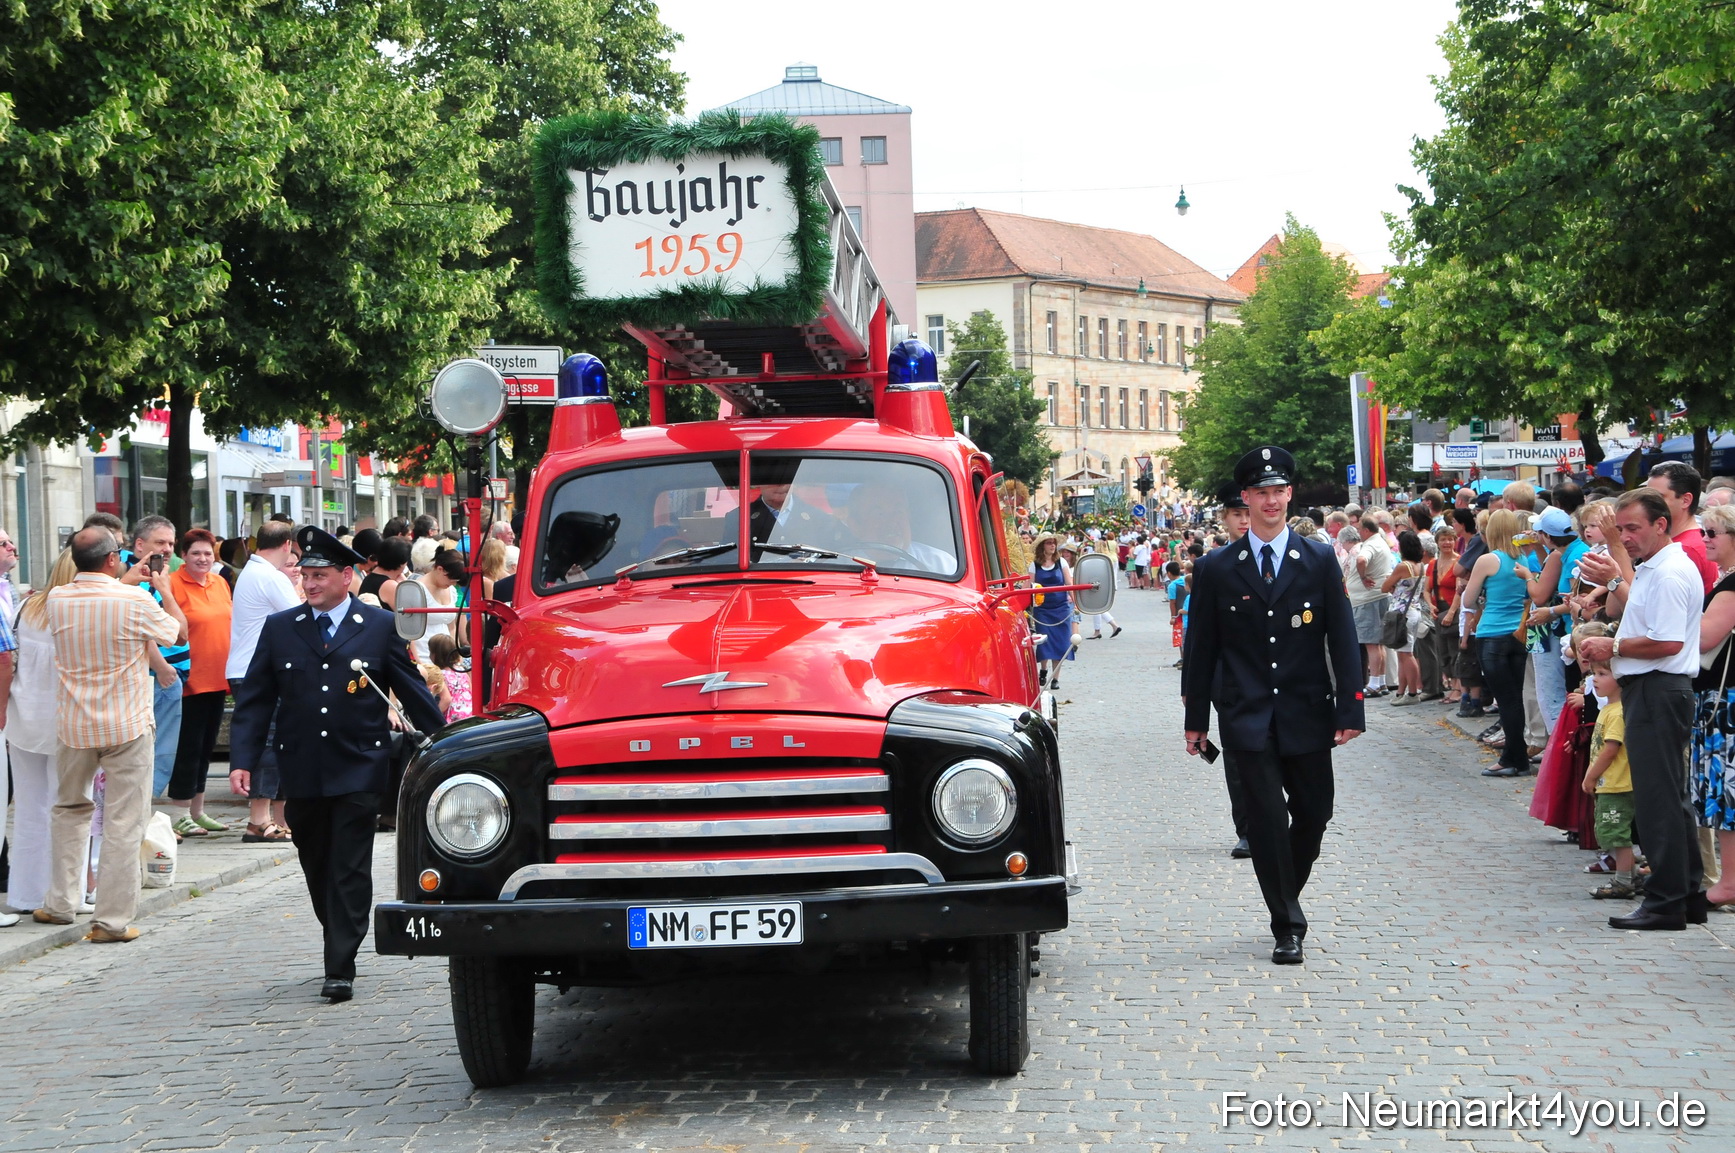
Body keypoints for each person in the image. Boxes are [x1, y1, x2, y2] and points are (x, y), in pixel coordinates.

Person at [229, 527, 444, 1001]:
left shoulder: (378, 625)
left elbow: (412, 690)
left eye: (319, 576)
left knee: (349, 864)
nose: (309, 584)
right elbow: (257, 701)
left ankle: (340, 963)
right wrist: (243, 759)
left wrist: (445, 742)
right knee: (316, 861)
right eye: (304, 575)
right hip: (302, 767)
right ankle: (338, 930)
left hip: (359, 764)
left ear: (346, 577)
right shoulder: (281, 627)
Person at [1182, 445, 1365, 965]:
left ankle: (1285, 889)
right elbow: (1201, 649)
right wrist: (1196, 720)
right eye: (1261, 492)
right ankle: (1287, 924)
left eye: (1279, 491)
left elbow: (1342, 638)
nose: (1270, 500)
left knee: (1315, 814)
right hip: (1246, 714)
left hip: (1307, 711)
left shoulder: (1319, 559)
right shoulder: (1217, 567)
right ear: (1245, 497)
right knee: (1264, 821)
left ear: (1290, 495)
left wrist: (1351, 708)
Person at [37, 527, 181, 941]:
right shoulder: (134, 600)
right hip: (126, 724)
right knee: (124, 821)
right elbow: (176, 632)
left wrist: (124, 581)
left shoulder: (58, 598)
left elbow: (98, 599)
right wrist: (163, 588)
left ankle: (60, 903)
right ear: (112, 559)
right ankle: (111, 920)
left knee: (68, 810)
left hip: (74, 723)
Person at [1577, 489, 1708, 930]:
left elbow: (1667, 641)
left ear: (1660, 524)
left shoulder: (1669, 571)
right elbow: (1646, 618)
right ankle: (1685, 895)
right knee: (1669, 796)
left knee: (1657, 799)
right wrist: (1616, 582)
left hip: (1658, 688)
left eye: (1632, 528)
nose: (1625, 537)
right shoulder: (1656, 567)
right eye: (1620, 529)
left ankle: (1666, 902)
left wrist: (1611, 646)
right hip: (1654, 688)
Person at [4, 549, 77, 920]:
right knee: (68, 808)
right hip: (64, 721)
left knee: (30, 808)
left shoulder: (26, 609)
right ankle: (62, 891)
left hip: (23, 718)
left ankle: (25, 892)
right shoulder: (74, 613)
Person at [227, 520, 303, 843]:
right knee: (268, 743)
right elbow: (301, 617)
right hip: (256, 671)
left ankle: (274, 818)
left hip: (248, 668)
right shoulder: (269, 576)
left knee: (274, 740)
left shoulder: (252, 571)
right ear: (287, 545)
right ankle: (258, 820)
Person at [165, 529, 233, 836]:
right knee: (188, 748)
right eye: (196, 553)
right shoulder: (172, 583)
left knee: (206, 747)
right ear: (184, 555)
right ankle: (179, 811)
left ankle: (198, 810)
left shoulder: (219, 583)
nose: (203, 559)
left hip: (217, 677)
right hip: (189, 679)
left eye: (207, 553)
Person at [119, 515, 192, 800]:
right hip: (155, 678)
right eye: (160, 542)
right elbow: (175, 634)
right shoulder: (137, 579)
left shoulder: (152, 575)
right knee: (156, 753)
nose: (167, 549)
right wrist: (162, 668)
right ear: (139, 545)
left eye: (171, 543)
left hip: (163, 675)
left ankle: (142, 808)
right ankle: (143, 808)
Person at [1460, 510, 1536, 776]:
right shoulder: (1523, 558)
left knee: (1506, 700)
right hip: (1518, 633)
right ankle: (1518, 757)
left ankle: (1512, 759)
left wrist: (1482, 596)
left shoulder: (1488, 560)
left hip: (1492, 633)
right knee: (1515, 697)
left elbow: (1468, 600)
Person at [1689, 502, 1735, 905]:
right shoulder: (1726, 580)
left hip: (1726, 701)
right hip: (1718, 698)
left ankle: (1728, 883)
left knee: (1726, 792)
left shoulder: (1733, 584)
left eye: (1712, 533)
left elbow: (1705, 637)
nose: (1705, 539)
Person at [1647, 461, 1718, 593]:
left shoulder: (1686, 549)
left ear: (1685, 500)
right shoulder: (1686, 543)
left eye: (1658, 497)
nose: (1648, 504)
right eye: (1646, 497)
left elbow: (1645, 601)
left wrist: (1618, 550)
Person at [1348, 515, 1394, 696]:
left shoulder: (1370, 545)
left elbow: (1361, 560)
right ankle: (1380, 681)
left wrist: (1363, 577)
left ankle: (1374, 683)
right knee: (1378, 643)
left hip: (1367, 599)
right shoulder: (1382, 542)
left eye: (1360, 529)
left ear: (1366, 530)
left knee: (1371, 643)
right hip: (1379, 596)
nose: (1359, 533)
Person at [1381, 531, 1427, 704]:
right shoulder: (1421, 566)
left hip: (1402, 613)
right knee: (1403, 653)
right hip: (1413, 610)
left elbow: (1385, 587)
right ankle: (1401, 691)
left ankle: (1413, 693)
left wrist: (1391, 583)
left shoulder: (1403, 566)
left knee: (1406, 654)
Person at [1029, 533, 1074, 689]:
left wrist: (1076, 602)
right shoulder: (1034, 565)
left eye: (1053, 543)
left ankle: (1055, 678)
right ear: (1042, 546)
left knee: (1061, 642)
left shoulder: (1061, 562)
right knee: (1044, 642)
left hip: (1061, 608)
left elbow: (1069, 583)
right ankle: (1043, 670)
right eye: (1049, 543)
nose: (1052, 545)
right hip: (1042, 610)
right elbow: (1028, 585)